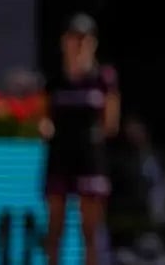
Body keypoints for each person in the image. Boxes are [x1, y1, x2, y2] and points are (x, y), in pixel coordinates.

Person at [40, 14, 120, 265]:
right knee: (54, 229)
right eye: (74, 38)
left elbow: (110, 124)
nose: (79, 44)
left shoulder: (103, 78)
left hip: (89, 157)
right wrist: (45, 127)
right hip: (59, 157)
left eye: (85, 39)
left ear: (93, 43)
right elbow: (44, 117)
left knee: (90, 232)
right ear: (64, 42)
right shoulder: (54, 79)